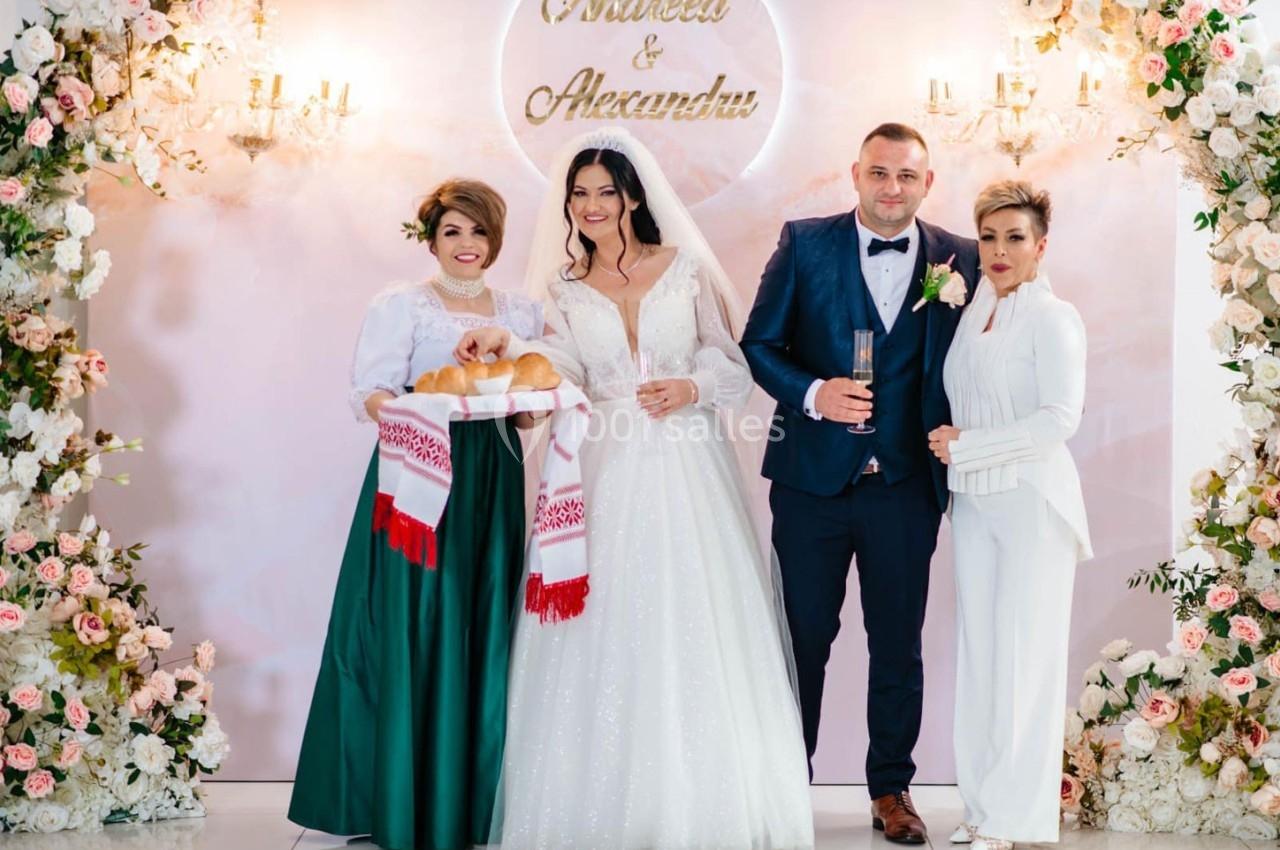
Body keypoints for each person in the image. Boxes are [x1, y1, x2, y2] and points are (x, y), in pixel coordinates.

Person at [456, 127, 814, 850]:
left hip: (687, 461)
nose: (591, 205)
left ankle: (703, 804)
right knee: (606, 618)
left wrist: (691, 385)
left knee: (694, 614)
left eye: (605, 192)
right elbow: (557, 367)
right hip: (604, 462)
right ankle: (597, 802)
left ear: (631, 197)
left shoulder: (682, 269)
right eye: (579, 193)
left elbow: (735, 366)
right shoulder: (562, 287)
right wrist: (506, 349)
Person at [741, 122, 979, 845]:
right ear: (855, 173)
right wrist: (814, 394)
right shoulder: (804, 243)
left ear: (927, 183)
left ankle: (892, 789)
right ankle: (785, 785)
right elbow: (758, 343)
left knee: (898, 643)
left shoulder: (960, 257)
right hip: (812, 484)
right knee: (803, 639)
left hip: (905, 486)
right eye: (879, 173)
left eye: (906, 176)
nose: (891, 188)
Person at [288, 179, 542, 850]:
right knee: (413, 619)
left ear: (496, 240)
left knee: (483, 617)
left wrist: (527, 406)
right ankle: (399, 794)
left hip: (492, 470)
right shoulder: (402, 305)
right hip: (418, 469)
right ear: (430, 239)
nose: (467, 245)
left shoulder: (522, 313)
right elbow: (368, 391)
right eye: (453, 232)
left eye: (479, 232)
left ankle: (472, 800)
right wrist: (416, 415)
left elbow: (529, 402)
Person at [927, 181, 1091, 850]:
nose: (998, 250)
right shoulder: (971, 311)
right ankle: (981, 808)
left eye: (1015, 237)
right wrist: (964, 456)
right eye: (989, 237)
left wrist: (971, 446)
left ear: (1041, 246)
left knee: (1025, 662)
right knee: (981, 658)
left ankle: (1017, 820)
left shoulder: (1055, 318)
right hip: (972, 503)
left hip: (1032, 500)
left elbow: (1060, 419)